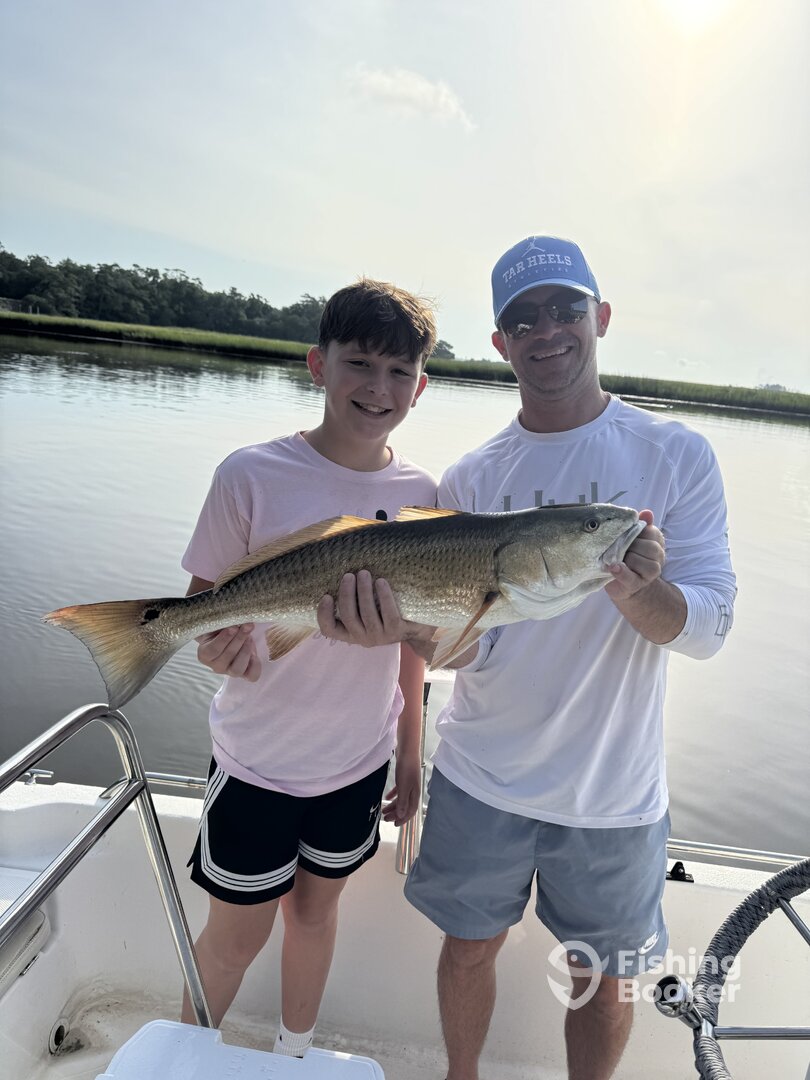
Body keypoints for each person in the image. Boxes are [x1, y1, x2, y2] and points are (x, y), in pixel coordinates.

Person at [316, 236, 737, 1080]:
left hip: (613, 792)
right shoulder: (471, 478)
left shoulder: (676, 454)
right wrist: (396, 632)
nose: (547, 330)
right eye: (522, 319)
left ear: (600, 317)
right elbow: (460, 649)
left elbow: (710, 628)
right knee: (468, 948)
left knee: (602, 982)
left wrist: (638, 593)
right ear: (501, 343)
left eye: (565, 308)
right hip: (482, 776)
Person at [179, 278, 438, 1056]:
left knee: (316, 916)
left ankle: (294, 1057)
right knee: (235, 936)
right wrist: (218, 647)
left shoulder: (424, 494)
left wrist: (411, 751)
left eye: (398, 372)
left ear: (421, 387)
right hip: (257, 758)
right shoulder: (250, 474)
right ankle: (180, 1059)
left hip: (357, 763)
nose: (378, 388)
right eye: (360, 363)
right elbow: (203, 613)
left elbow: (415, 642)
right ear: (318, 364)